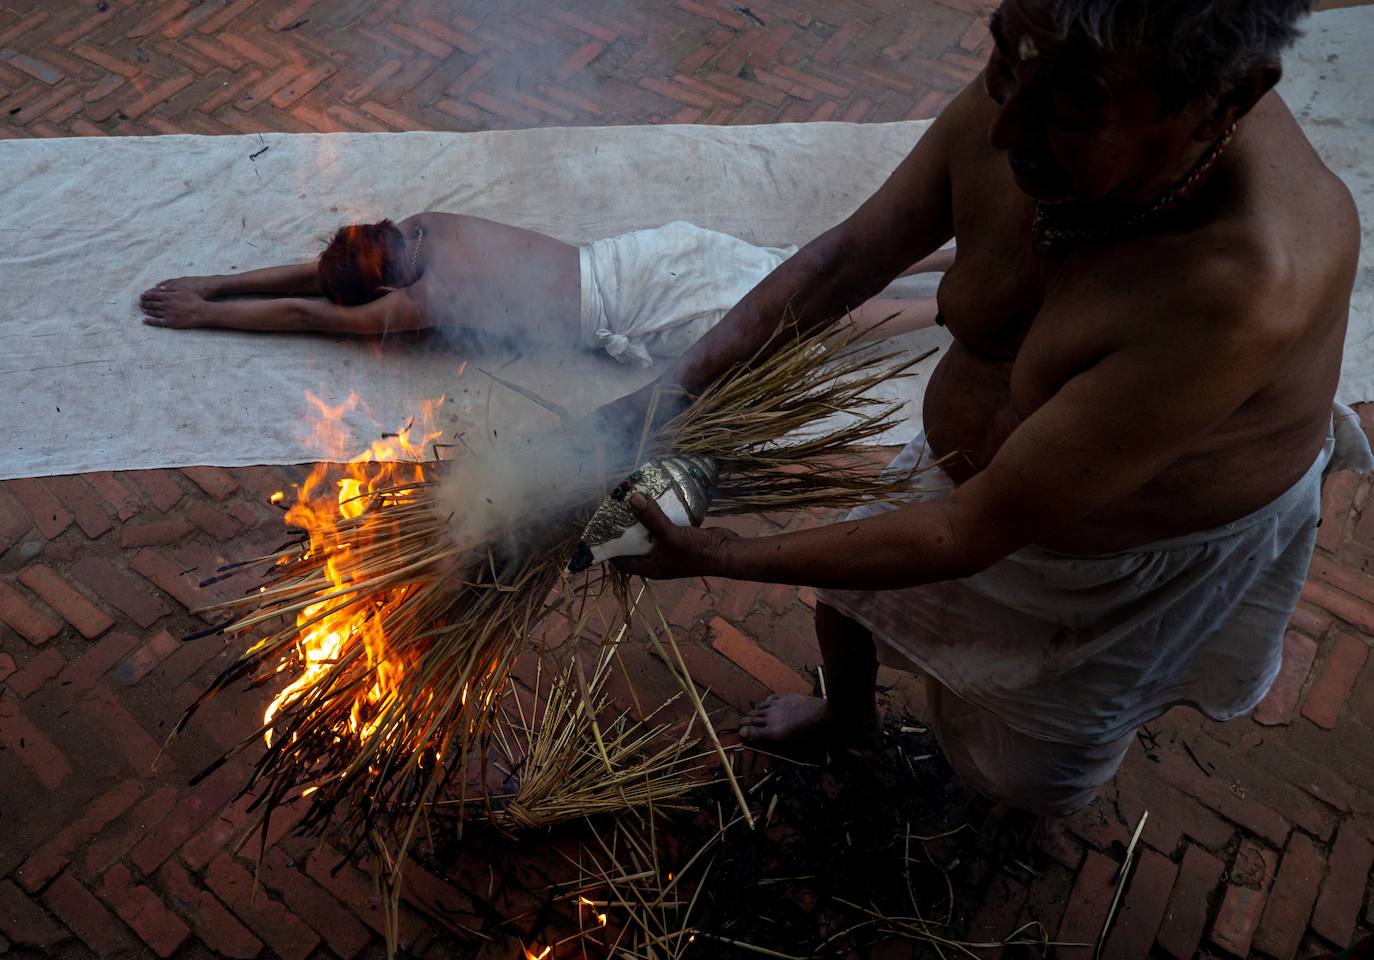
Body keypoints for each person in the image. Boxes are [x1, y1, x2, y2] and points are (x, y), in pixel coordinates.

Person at [602, 0, 1373, 822]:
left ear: (1224, 101)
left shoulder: (1242, 287)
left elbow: (966, 532)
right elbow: (842, 260)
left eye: (1073, 112)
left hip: (1117, 558)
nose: (1006, 134)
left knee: (1030, 771)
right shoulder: (1048, 71)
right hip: (974, 492)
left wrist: (716, 553)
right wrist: (667, 389)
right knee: (843, 601)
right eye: (1003, 58)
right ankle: (847, 718)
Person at [138, 216, 951, 365]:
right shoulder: (429, 225)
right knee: (794, 267)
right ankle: (946, 256)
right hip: (649, 254)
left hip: (641, 303)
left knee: (802, 319)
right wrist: (211, 285)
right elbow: (315, 281)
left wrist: (211, 305)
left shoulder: (418, 303)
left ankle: (947, 306)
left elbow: (307, 307)